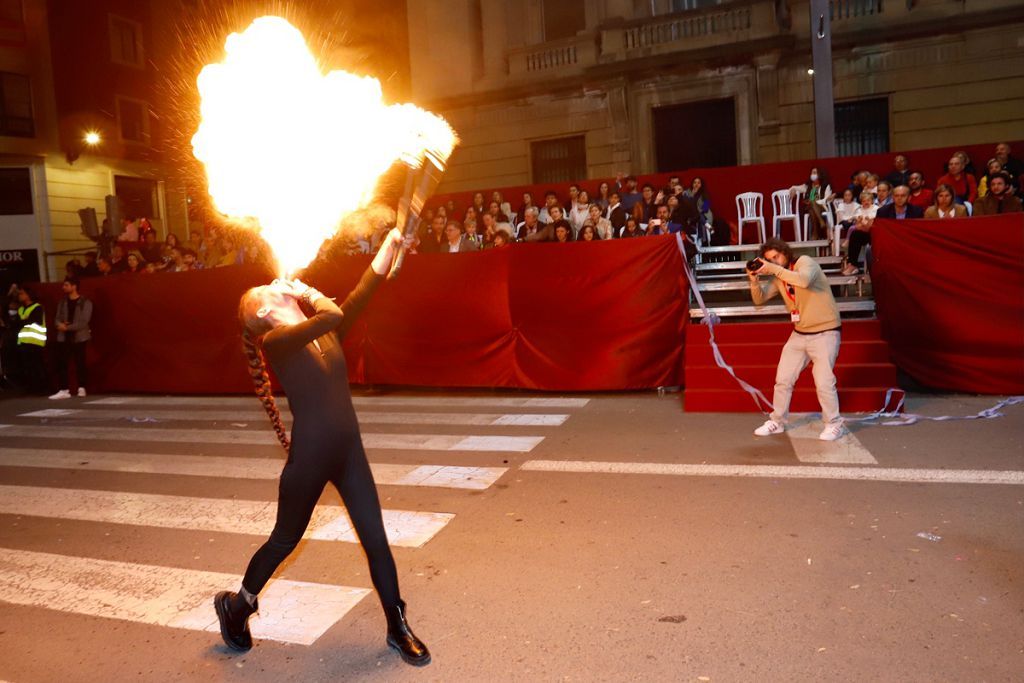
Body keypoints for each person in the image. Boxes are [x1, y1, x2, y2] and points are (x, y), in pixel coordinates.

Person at [220, 228, 429, 666]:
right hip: (310, 460)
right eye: (270, 288)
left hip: (349, 452)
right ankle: (238, 607)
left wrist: (387, 251)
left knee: (376, 539)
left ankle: (396, 625)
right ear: (264, 309)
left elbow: (356, 297)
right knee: (284, 540)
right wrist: (309, 290)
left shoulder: (320, 331)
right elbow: (332, 313)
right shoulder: (279, 341)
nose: (280, 283)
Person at [748, 238, 843, 441]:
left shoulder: (805, 262)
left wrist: (774, 269)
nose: (774, 261)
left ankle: (834, 423)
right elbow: (759, 300)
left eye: (776, 257)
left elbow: (803, 280)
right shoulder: (779, 276)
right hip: (800, 333)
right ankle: (778, 421)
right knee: (782, 380)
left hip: (826, 332)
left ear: (785, 252)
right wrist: (754, 280)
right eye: (769, 259)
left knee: (824, 382)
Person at [49, 275, 92, 399]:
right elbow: (57, 318)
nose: (63, 287)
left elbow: (84, 321)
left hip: (79, 337)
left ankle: (82, 388)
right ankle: (64, 389)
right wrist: (59, 325)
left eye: (66, 285)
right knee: (62, 363)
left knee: (80, 363)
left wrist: (67, 327)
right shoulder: (62, 302)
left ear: (74, 286)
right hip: (63, 337)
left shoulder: (85, 302)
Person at [14, 287, 47, 394]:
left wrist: (23, 321)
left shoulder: (37, 307)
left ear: (28, 294)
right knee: (27, 366)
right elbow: (17, 323)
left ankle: (42, 388)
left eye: (22, 293)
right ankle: (32, 388)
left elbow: (34, 321)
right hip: (24, 341)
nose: (20, 296)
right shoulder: (20, 309)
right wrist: (24, 321)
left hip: (35, 341)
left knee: (37, 365)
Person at [788, 167, 834, 239]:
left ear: (820, 174)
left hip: (821, 207)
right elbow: (796, 187)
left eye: (815, 173)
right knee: (811, 207)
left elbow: (826, 199)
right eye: (812, 173)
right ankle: (821, 222)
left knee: (812, 203)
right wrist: (793, 189)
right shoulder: (808, 186)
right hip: (810, 207)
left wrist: (816, 202)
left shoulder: (825, 186)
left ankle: (815, 233)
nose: (812, 174)